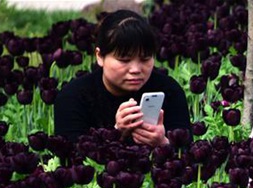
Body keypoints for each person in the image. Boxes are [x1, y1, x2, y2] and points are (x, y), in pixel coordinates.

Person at [55, 9, 190, 146]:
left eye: (145, 59)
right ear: (100, 57)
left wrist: (163, 143)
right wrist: (115, 133)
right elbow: (70, 157)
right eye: (124, 60)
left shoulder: (169, 90)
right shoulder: (74, 97)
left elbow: (188, 153)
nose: (136, 70)